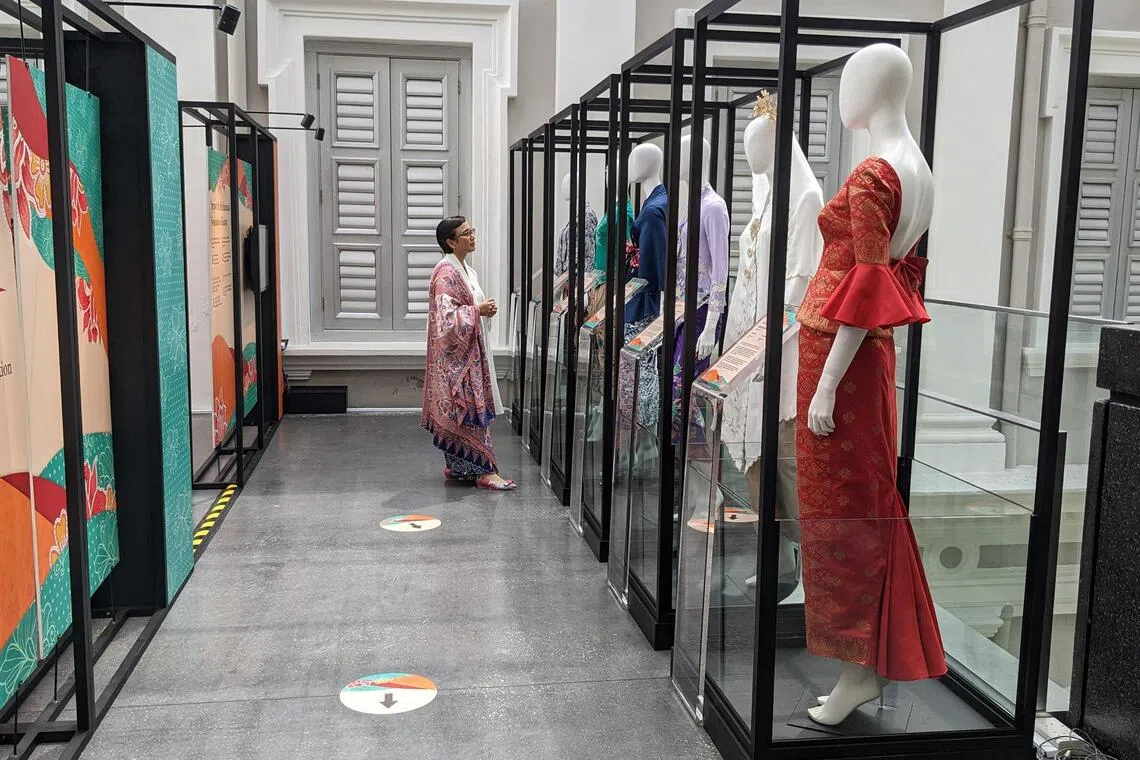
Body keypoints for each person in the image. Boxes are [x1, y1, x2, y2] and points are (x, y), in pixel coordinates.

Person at [421, 216, 517, 490]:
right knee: (467, 410)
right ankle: (483, 472)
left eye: (472, 230)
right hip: (457, 361)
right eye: (466, 233)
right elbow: (446, 321)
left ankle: (460, 467)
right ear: (451, 242)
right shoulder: (446, 273)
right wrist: (478, 311)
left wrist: (481, 309)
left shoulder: (465, 270)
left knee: (466, 411)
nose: (473, 236)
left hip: (470, 355)